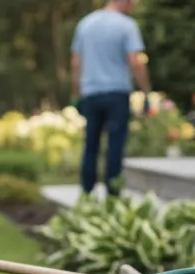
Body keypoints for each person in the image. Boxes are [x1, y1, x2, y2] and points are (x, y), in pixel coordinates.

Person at [69, 0, 151, 197]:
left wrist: (76, 92)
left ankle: (87, 192)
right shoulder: (127, 25)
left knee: (91, 143)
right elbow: (135, 61)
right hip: (117, 92)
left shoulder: (85, 24)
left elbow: (76, 62)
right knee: (115, 145)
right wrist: (146, 90)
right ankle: (113, 194)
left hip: (91, 92)